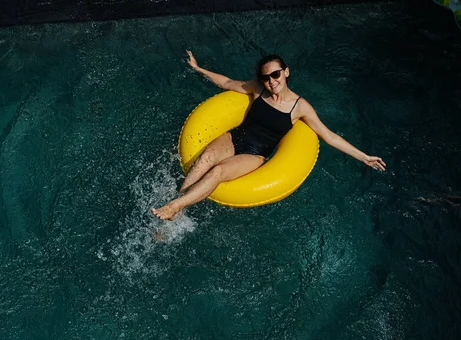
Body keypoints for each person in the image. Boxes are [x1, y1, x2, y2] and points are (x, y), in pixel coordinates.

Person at [152, 51, 386, 220]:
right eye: (266, 77)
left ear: (286, 72)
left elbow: (328, 135)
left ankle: (174, 206)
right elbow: (227, 82)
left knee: (219, 171)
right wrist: (198, 68)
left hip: (255, 153)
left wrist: (364, 157)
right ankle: (178, 205)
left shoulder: (299, 107)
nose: (272, 81)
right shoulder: (258, 88)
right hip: (234, 137)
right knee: (204, 160)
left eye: (276, 75)